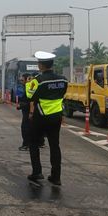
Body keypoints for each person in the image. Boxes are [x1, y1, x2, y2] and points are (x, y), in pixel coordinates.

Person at [26, 52, 68, 186]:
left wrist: (28, 84)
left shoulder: (37, 80)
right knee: (55, 145)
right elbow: (62, 94)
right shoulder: (63, 79)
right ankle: (56, 177)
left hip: (41, 115)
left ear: (41, 65)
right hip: (56, 116)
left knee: (33, 143)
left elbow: (29, 96)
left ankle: (37, 172)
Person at [17, 73, 31, 150]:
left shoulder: (29, 88)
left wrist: (21, 105)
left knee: (25, 128)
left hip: (28, 111)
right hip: (26, 110)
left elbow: (30, 101)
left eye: (22, 80)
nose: (21, 81)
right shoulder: (25, 87)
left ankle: (26, 144)